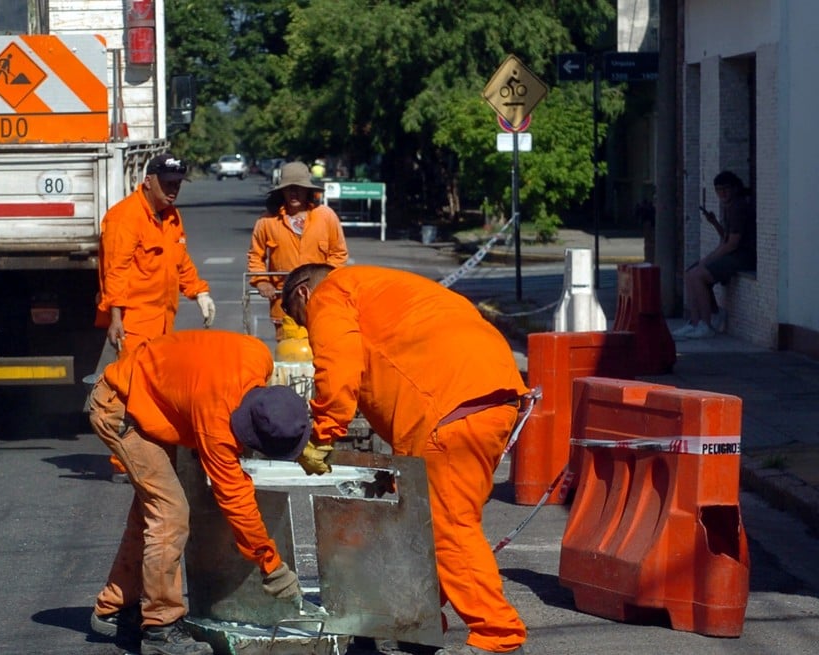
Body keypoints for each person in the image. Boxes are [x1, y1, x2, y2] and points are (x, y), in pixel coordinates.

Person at [281, 263, 530, 655]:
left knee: (448, 528)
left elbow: (339, 366)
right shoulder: (378, 287)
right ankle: (419, 620)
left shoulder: (331, 293)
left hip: (449, 407)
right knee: (424, 527)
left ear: (303, 295)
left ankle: (497, 635)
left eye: (306, 325)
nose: (313, 334)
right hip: (489, 394)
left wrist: (322, 434)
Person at [86, 330, 314, 655]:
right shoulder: (216, 425)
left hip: (152, 391)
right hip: (121, 409)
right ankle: (160, 630)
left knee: (149, 514)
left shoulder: (258, 354)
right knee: (169, 515)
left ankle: (114, 608)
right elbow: (237, 502)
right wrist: (271, 565)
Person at [98, 153, 216, 480]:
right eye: (167, 184)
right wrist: (116, 317)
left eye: (177, 184)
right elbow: (116, 272)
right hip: (134, 322)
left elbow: (180, 261)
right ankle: (124, 464)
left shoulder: (171, 216)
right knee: (130, 391)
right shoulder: (125, 218)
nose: (173, 190)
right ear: (148, 181)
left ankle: (151, 455)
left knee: (154, 393)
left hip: (162, 321)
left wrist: (199, 292)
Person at [246, 161, 349, 341]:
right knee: (288, 356)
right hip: (283, 303)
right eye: (289, 189)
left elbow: (339, 254)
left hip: (320, 301)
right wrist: (262, 281)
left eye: (298, 188)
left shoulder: (326, 216)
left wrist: (322, 281)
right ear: (282, 191)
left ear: (308, 190)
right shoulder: (267, 221)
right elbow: (256, 255)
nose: (294, 193)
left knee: (322, 354)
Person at [672, 171, 756, 340]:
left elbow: (733, 243)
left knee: (697, 275)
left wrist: (707, 260)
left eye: (726, 189)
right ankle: (696, 322)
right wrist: (714, 222)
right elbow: (726, 236)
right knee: (691, 273)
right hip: (734, 254)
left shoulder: (739, 207)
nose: (722, 194)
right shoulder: (729, 207)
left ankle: (706, 324)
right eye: (718, 190)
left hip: (742, 256)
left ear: (734, 188)